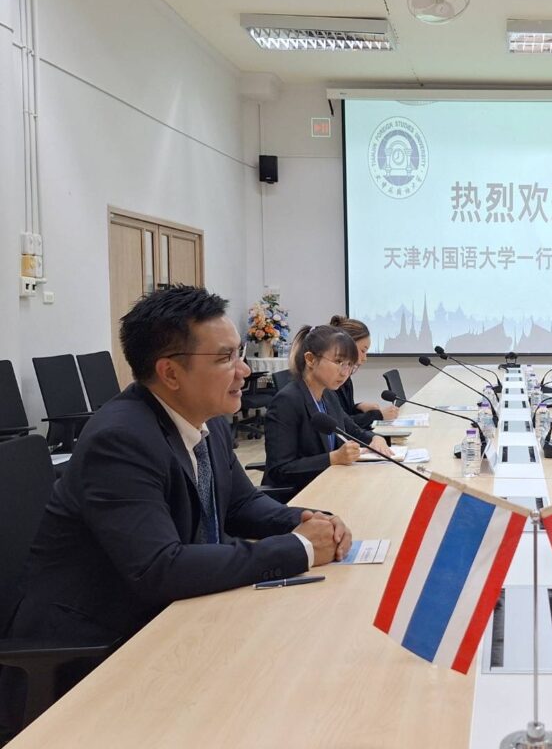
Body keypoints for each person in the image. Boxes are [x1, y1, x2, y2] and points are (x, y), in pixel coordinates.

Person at [0, 286, 351, 732]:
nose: (244, 370)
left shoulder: (208, 421)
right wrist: (299, 549)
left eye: (240, 353)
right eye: (225, 358)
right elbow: (159, 567)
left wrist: (306, 520)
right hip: (97, 646)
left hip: (175, 615)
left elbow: (242, 503)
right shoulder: (121, 440)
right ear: (170, 372)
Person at [263, 325, 392, 493]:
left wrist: (375, 438)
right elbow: (280, 470)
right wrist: (333, 458)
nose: (345, 373)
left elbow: (353, 431)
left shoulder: (329, 395)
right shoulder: (286, 402)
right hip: (298, 495)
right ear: (310, 359)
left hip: (332, 484)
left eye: (350, 365)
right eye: (339, 362)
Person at [329, 315, 399, 429]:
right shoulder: (329, 380)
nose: (365, 358)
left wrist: (358, 407)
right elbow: (341, 424)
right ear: (347, 345)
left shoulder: (346, 377)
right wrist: (378, 415)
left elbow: (345, 413)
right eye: (363, 351)